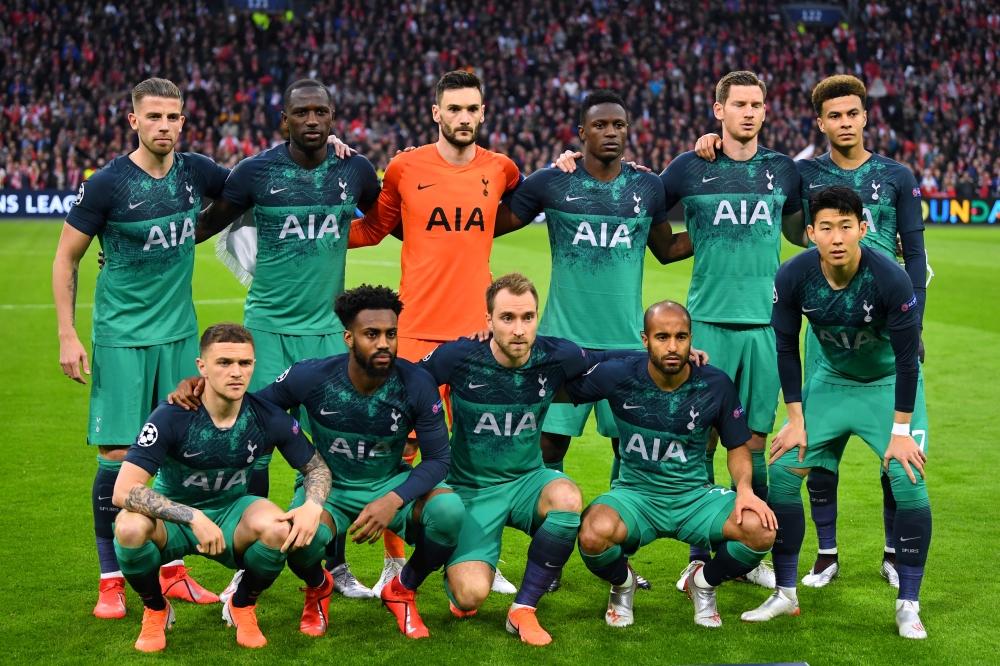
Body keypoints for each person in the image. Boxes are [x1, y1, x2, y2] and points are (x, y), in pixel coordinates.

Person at [694, 75, 929, 588]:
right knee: (815, 449)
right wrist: (710, 143)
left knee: (897, 452)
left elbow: (916, 255)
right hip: (824, 331)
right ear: (819, 123)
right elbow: (758, 177)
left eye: (853, 114)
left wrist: (915, 323)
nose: (845, 123)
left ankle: (892, 550)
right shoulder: (800, 173)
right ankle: (825, 552)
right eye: (834, 116)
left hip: (887, 324)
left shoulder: (897, 175)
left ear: (865, 116)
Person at [416, 273, 704, 644]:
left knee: (567, 497)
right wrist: (429, 438)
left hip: (527, 482)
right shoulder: (458, 355)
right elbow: (411, 382)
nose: (519, 329)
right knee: (470, 595)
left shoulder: (555, 354)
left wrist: (672, 355)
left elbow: (606, 358)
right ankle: (464, 570)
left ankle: (523, 609)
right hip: (471, 488)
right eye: (507, 318)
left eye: (528, 317)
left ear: (538, 317)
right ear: (488, 321)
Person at [167, 285, 464, 639]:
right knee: (300, 540)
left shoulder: (416, 383)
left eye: (390, 334)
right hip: (328, 487)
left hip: (389, 483)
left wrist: (393, 499)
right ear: (349, 338)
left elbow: (438, 460)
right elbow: (254, 408)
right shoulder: (312, 377)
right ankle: (317, 587)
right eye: (371, 334)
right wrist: (202, 384)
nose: (384, 343)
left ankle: (402, 589)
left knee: (449, 512)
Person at [193, 79, 382, 599]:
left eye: (322, 111)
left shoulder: (355, 170)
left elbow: (391, 212)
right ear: (285, 120)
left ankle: (331, 563)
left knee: (326, 449)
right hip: (269, 332)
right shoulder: (256, 172)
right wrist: (128, 242)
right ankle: (246, 558)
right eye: (303, 113)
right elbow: (207, 225)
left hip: (327, 333)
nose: (313, 120)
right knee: (250, 446)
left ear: (334, 115)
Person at [53, 77, 226, 618]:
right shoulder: (106, 184)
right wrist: (67, 333)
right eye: (154, 117)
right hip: (123, 339)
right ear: (133, 120)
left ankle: (171, 572)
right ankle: (112, 579)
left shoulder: (196, 171)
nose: (166, 127)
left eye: (174, 117)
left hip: (178, 338)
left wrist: (335, 148)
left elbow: (254, 183)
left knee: (174, 453)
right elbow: (66, 259)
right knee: (116, 458)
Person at [346, 70, 523, 595]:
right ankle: (395, 562)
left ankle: (475, 552)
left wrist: (564, 165)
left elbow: (518, 208)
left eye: (472, 109)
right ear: (436, 113)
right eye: (455, 109)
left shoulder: (501, 168)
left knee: (473, 450)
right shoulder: (404, 167)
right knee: (399, 449)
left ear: (482, 113)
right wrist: (316, 229)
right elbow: (375, 228)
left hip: (475, 338)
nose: (464, 118)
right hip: (416, 332)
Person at [495, 89, 674, 591]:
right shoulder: (555, 182)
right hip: (562, 347)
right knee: (547, 448)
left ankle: (617, 561)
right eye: (600, 125)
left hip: (625, 348)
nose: (611, 131)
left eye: (619, 123)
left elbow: (668, 247)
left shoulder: (649, 187)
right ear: (582, 132)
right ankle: (544, 563)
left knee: (629, 453)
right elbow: (493, 218)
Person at [745, 186, 930, 640]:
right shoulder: (792, 276)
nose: (837, 237)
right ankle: (785, 592)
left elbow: (909, 361)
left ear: (863, 230)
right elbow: (786, 348)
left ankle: (908, 603)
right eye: (826, 227)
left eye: (846, 226)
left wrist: (901, 430)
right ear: (811, 233)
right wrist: (795, 418)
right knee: (784, 472)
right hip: (830, 382)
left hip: (887, 385)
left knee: (908, 482)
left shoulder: (891, 279)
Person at [657, 71, 804, 590]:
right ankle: (699, 555)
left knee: (757, 444)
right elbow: (648, 205)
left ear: (766, 112)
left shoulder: (784, 172)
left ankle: (748, 551)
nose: (749, 111)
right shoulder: (690, 167)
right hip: (708, 327)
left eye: (757, 104)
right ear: (717, 110)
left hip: (766, 326)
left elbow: (803, 227)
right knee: (701, 440)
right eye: (738, 104)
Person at [111, 323, 332, 651]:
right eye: (224, 362)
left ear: (254, 365)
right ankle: (156, 608)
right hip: (175, 517)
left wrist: (313, 505)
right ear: (201, 367)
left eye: (244, 363)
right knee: (128, 527)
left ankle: (242, 605)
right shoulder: (172, 415)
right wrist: (193, 517)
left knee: (277, 528)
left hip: (231, 512)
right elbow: (123, 490)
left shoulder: (266, 416)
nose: (236, 372)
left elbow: (316, 468)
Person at [571, 301, 776, 628]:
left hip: (693, 496)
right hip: (635, 496)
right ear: (645, 340)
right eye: (662, 337)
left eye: (681, 338)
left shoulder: (715, 383)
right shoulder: (620, 375)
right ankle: (623, 586)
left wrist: (746, 490)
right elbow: (561, 384)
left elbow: (737, 446)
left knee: (761, 529)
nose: (672, 346)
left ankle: (703, 584)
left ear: (691, 339)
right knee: (592, 533)